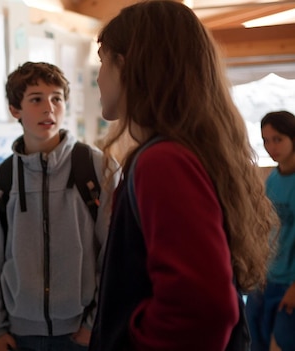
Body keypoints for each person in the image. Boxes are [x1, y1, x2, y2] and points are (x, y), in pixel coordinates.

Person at [89, 1, 278, 351]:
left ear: (128, 65)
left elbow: (204, 310)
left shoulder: (163, 161)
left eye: (102, 60)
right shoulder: (182, 152)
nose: (97, 76)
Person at [0, 61, 119, 351]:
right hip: (19, 336)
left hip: (82, 332)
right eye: (36, 99)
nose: (49, 108)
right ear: (15, 110)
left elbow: (115, 254)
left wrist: (96, 323)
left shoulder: (98, 168)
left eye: (57, 98)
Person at [246, 110, 295, 351]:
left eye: (278, 139)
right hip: (266, 281)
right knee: (254, 343)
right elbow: (266, 230)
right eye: (265, 140)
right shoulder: (272, 180)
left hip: (290, 284)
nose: (270, 146)